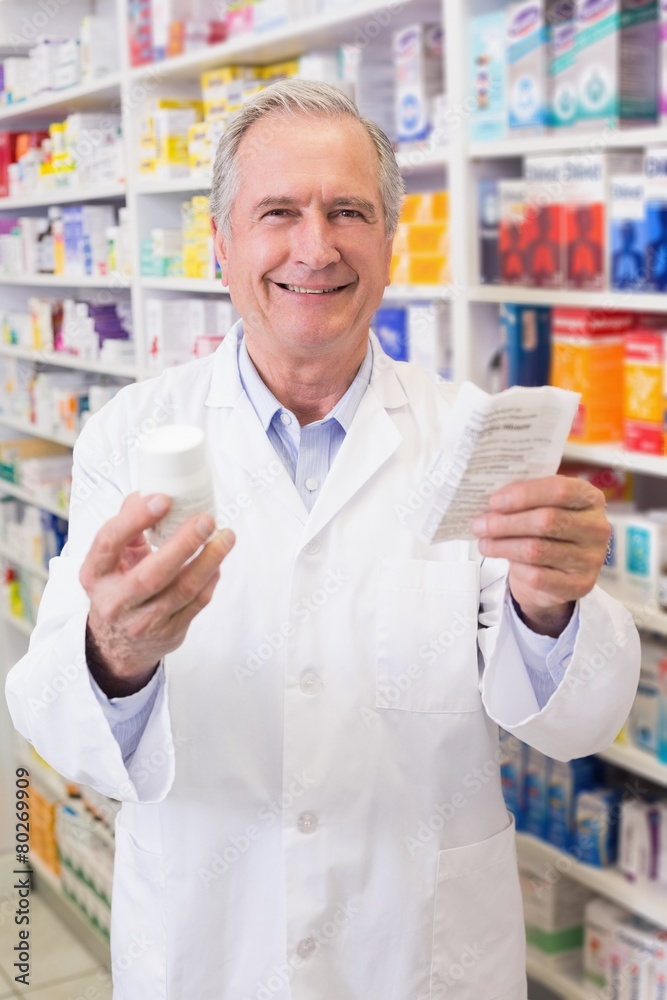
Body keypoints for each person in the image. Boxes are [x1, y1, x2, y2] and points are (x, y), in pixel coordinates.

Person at [6, 81, 640, 1000]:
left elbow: (577, 722)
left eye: (349, 211)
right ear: (221, 246)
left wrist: (550, 609)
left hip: (417, 952)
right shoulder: (131, 433)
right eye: (278, 213)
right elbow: (55, 713)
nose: (316, 246)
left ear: (388, 245)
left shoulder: (473, 435)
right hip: (212, 945)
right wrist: (115, 654)